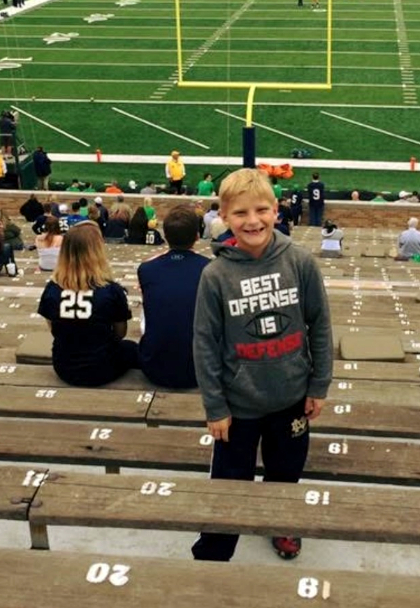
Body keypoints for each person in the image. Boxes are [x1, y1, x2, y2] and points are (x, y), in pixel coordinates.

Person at [191, 168, 333, 563]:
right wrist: (215, 407)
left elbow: (320, 323)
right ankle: (215, 548)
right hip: (238, 407)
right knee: (229, 484)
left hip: (291, 397)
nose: (252, 221)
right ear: (224, 217)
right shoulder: (215, 274)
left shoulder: (299, 261)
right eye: (240, 213)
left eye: (260, 210)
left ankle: (282, 523)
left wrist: (319, 384)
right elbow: (204, 343)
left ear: (276, 210)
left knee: (285, 474)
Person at [37, 221, 139, 386]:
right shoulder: (111, 290)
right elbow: (120, 333)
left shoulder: (52, 289)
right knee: (132, 348)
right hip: (102, 368)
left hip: (64, 367)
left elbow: (53, 329)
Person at [137, 204, 211, 388]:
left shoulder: (147, 269)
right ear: (197, 236)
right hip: (200, 369)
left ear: (166, 236)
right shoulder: (211, 269)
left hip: (155, 367)